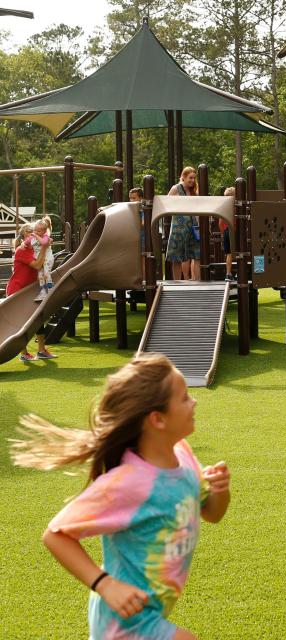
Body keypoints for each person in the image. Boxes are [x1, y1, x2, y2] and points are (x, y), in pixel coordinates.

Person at [11, 354, 232, 640]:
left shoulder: (183, 457)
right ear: (157, 419)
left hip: (148, 612)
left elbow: (213, 513)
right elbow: (55, 535)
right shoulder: (128, 483)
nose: (194, 402)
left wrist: (220, 490)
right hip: (123, 624)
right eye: (185, 398)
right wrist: (104, 584)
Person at [7, 224, 55, 361]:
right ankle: (24, 353)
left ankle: (41, 350)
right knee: (22, 322)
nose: (33, 234)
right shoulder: (22, 250)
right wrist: (45, 248)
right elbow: (38, 265)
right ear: (24, 236)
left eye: (33, 232)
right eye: (29, 232)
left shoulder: (34, 248)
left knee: (38, 318)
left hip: (30, 290)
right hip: (18, 290)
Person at [167, 167, 201, 281]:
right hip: (179, 227)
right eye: (190, 178)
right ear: (183, 177)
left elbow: (198, 208)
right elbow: (166, 204)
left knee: (197, 254)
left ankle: (197, 281)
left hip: (192, 226)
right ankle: (176, 282)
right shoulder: (176, 188)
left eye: (194, 178)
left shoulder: (193, 191)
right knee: (177, 257)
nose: (192, 180)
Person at [31, 216, 56, 302]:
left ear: (44, 231)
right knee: (40, 276)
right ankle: (43, 292)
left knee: (46, 274)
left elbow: (44, 243)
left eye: (38, 231)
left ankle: (50, 289)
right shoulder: (33, 238)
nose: (36, 232)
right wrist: (23, 244)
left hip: (47, 259)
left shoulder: (45, 237)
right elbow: (27, 242)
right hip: (40, 260)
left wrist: (35, 235)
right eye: (35, 230)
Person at [221, 187, 235, 281]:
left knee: (229, 254)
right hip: (233, 231)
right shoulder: (235, 207)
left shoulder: (224, 208)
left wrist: (223, 232)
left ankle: (228, 273)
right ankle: (237, 272)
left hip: (226, 231)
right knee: (238, 252)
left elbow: (220, 222)